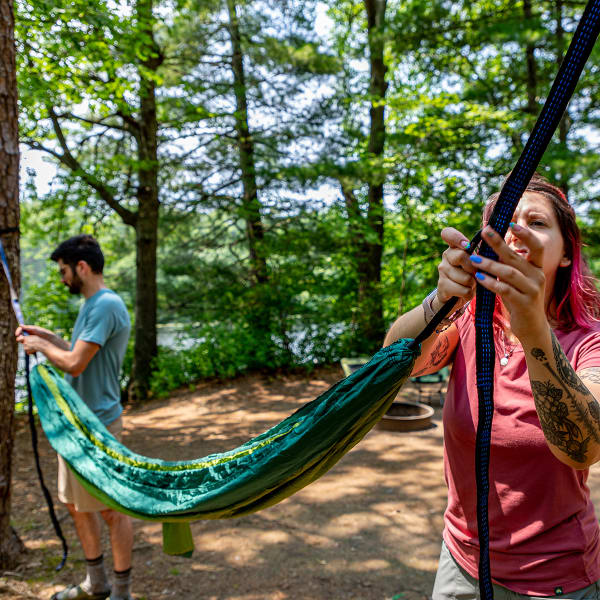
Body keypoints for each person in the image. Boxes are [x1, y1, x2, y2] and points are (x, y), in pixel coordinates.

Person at [384, 173, 600, 599]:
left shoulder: (588, 340)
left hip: (555, 580)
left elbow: (584, 448)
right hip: (462, 563)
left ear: (564, 254)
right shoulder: (469, 323)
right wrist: (442, 298)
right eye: (505, 222)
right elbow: (394, 365)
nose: (516, 233)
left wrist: (534, 329)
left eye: (536, 223)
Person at [16, 235, 133, 600]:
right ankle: (96, 584)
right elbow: (75, 350)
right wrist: (47, 336)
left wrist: (40, 347)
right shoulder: (92, 305)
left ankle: (122, 592)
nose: (62, 278)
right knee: (73, 502)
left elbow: (74, 364)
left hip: (100, 424)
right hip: (77, 424)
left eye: (64, 270)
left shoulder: (106, 305)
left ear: (82, 267)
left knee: (112, 510)